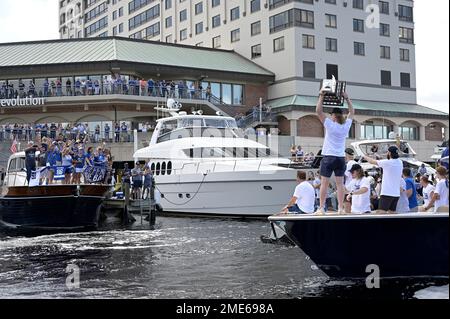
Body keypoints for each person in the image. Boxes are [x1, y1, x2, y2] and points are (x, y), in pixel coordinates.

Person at [315, 90, 354, 214]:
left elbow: (318, 111)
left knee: (324, 184)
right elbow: (352, 112)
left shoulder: (330, 125)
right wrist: (347, 98)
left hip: (329, 157)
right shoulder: (346, 126)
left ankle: (321, 208)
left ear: (333, 116)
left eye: (331, 115)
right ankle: (341, 208)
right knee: (340, 184)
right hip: (340, 158)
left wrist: (321, 95)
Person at [363, 146, 403, 214]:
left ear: (389, 153)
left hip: (387, 193)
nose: (387, 153)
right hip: (396, 194)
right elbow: (384, 161)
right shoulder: (400, 162)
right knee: (392, 213)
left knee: (380, 213)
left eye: (387, 152)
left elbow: (371, 161)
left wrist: (365, 156)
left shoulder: (387, 163)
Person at [344, 147, 357, 214]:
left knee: (347, 211)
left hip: (348, 189)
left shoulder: (349, 164)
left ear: (346, 154)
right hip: (356, 188)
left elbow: (345, 176)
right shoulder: (357, 163)